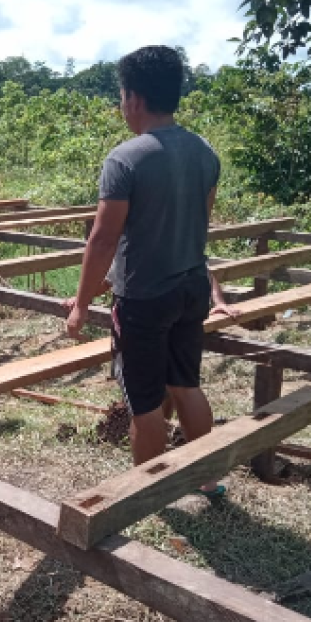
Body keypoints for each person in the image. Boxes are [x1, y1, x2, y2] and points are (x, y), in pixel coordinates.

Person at [64, 46, 238, 497]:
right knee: (186, 384)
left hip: (144, 299)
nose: (122, 105)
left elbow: (103, 239)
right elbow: (199, 224)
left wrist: (81, 304)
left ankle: (148, 494)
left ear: (135, 98)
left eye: (122, 96)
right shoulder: (204, 151)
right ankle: (208, 478)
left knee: (144, 403)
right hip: (190, 288)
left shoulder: (125, 159)